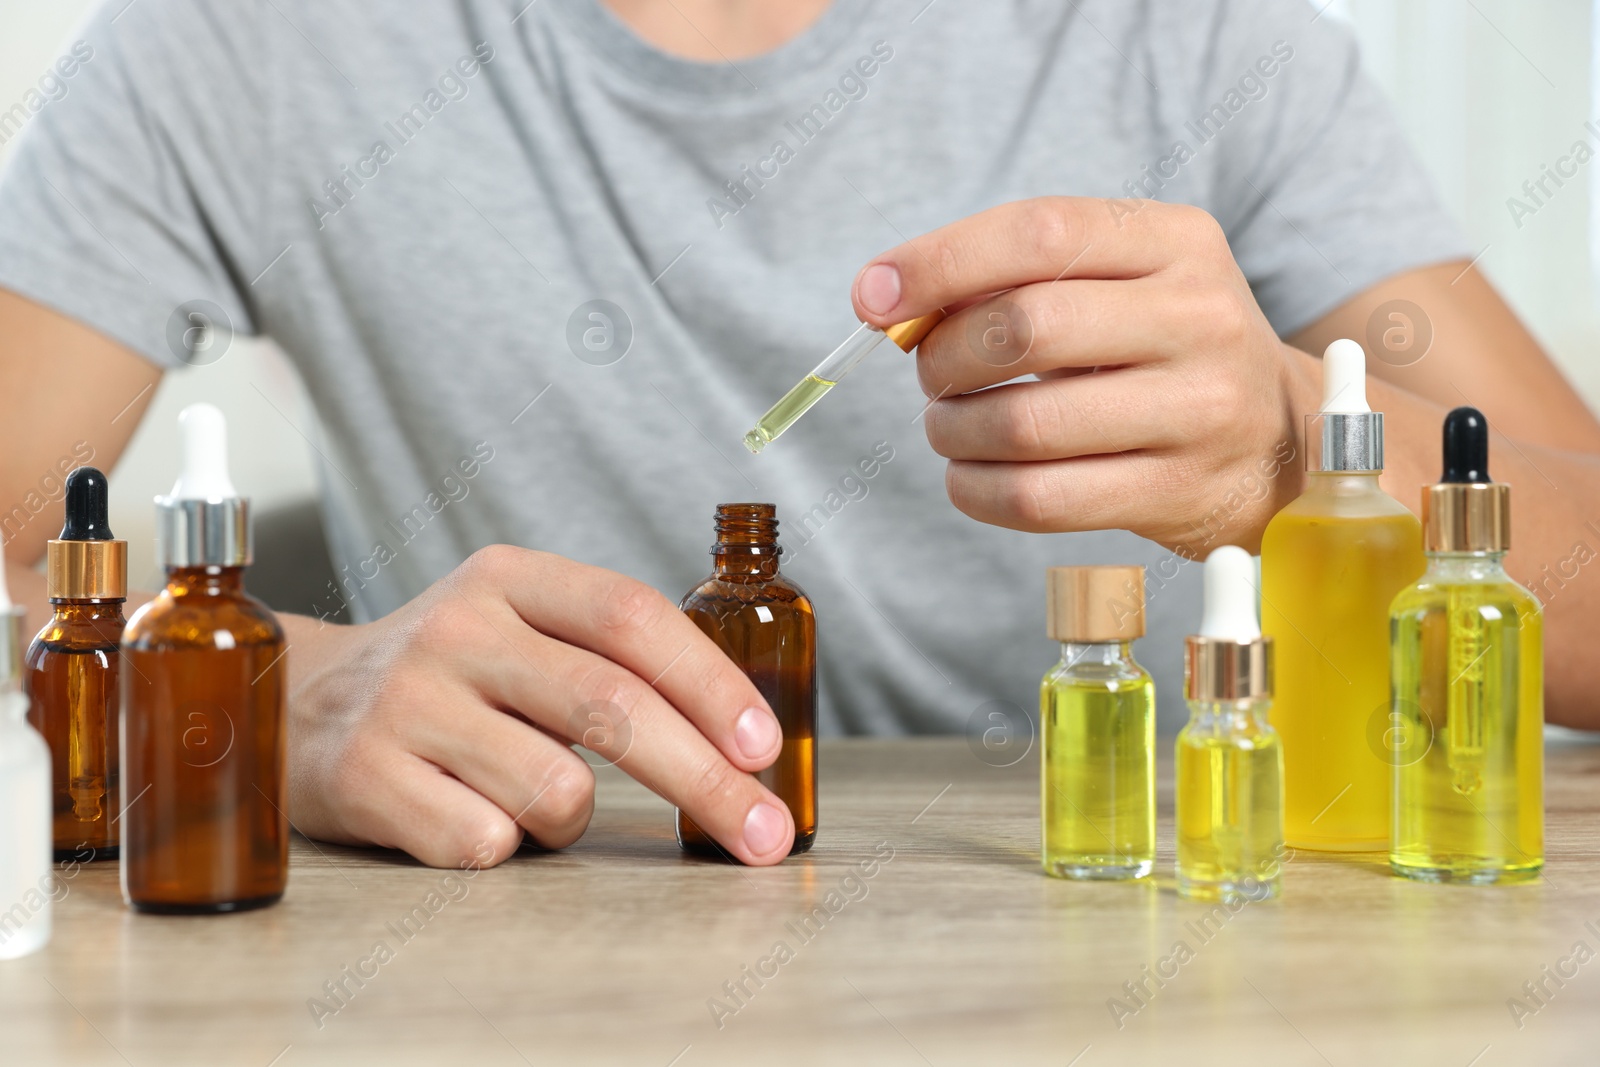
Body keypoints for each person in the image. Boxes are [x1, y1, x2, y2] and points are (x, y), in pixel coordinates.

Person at [1, 0, 1596, 870]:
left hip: (1160, 929)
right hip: (535, 957)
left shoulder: (1193, 40)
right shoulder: (240, 44)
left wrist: (1291, 453)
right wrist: (266, 692)